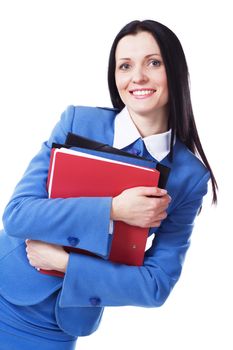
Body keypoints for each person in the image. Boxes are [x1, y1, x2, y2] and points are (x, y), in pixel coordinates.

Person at [0, 19, 217, 349]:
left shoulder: (189, 176)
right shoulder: (78, 121)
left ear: (175, 70)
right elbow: (17, 216)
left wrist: (65, 264)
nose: (137, 77)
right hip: (6, 286)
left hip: (61, 325)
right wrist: (114, 209)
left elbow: (155, 286)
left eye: (153, 63)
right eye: (125, 66)